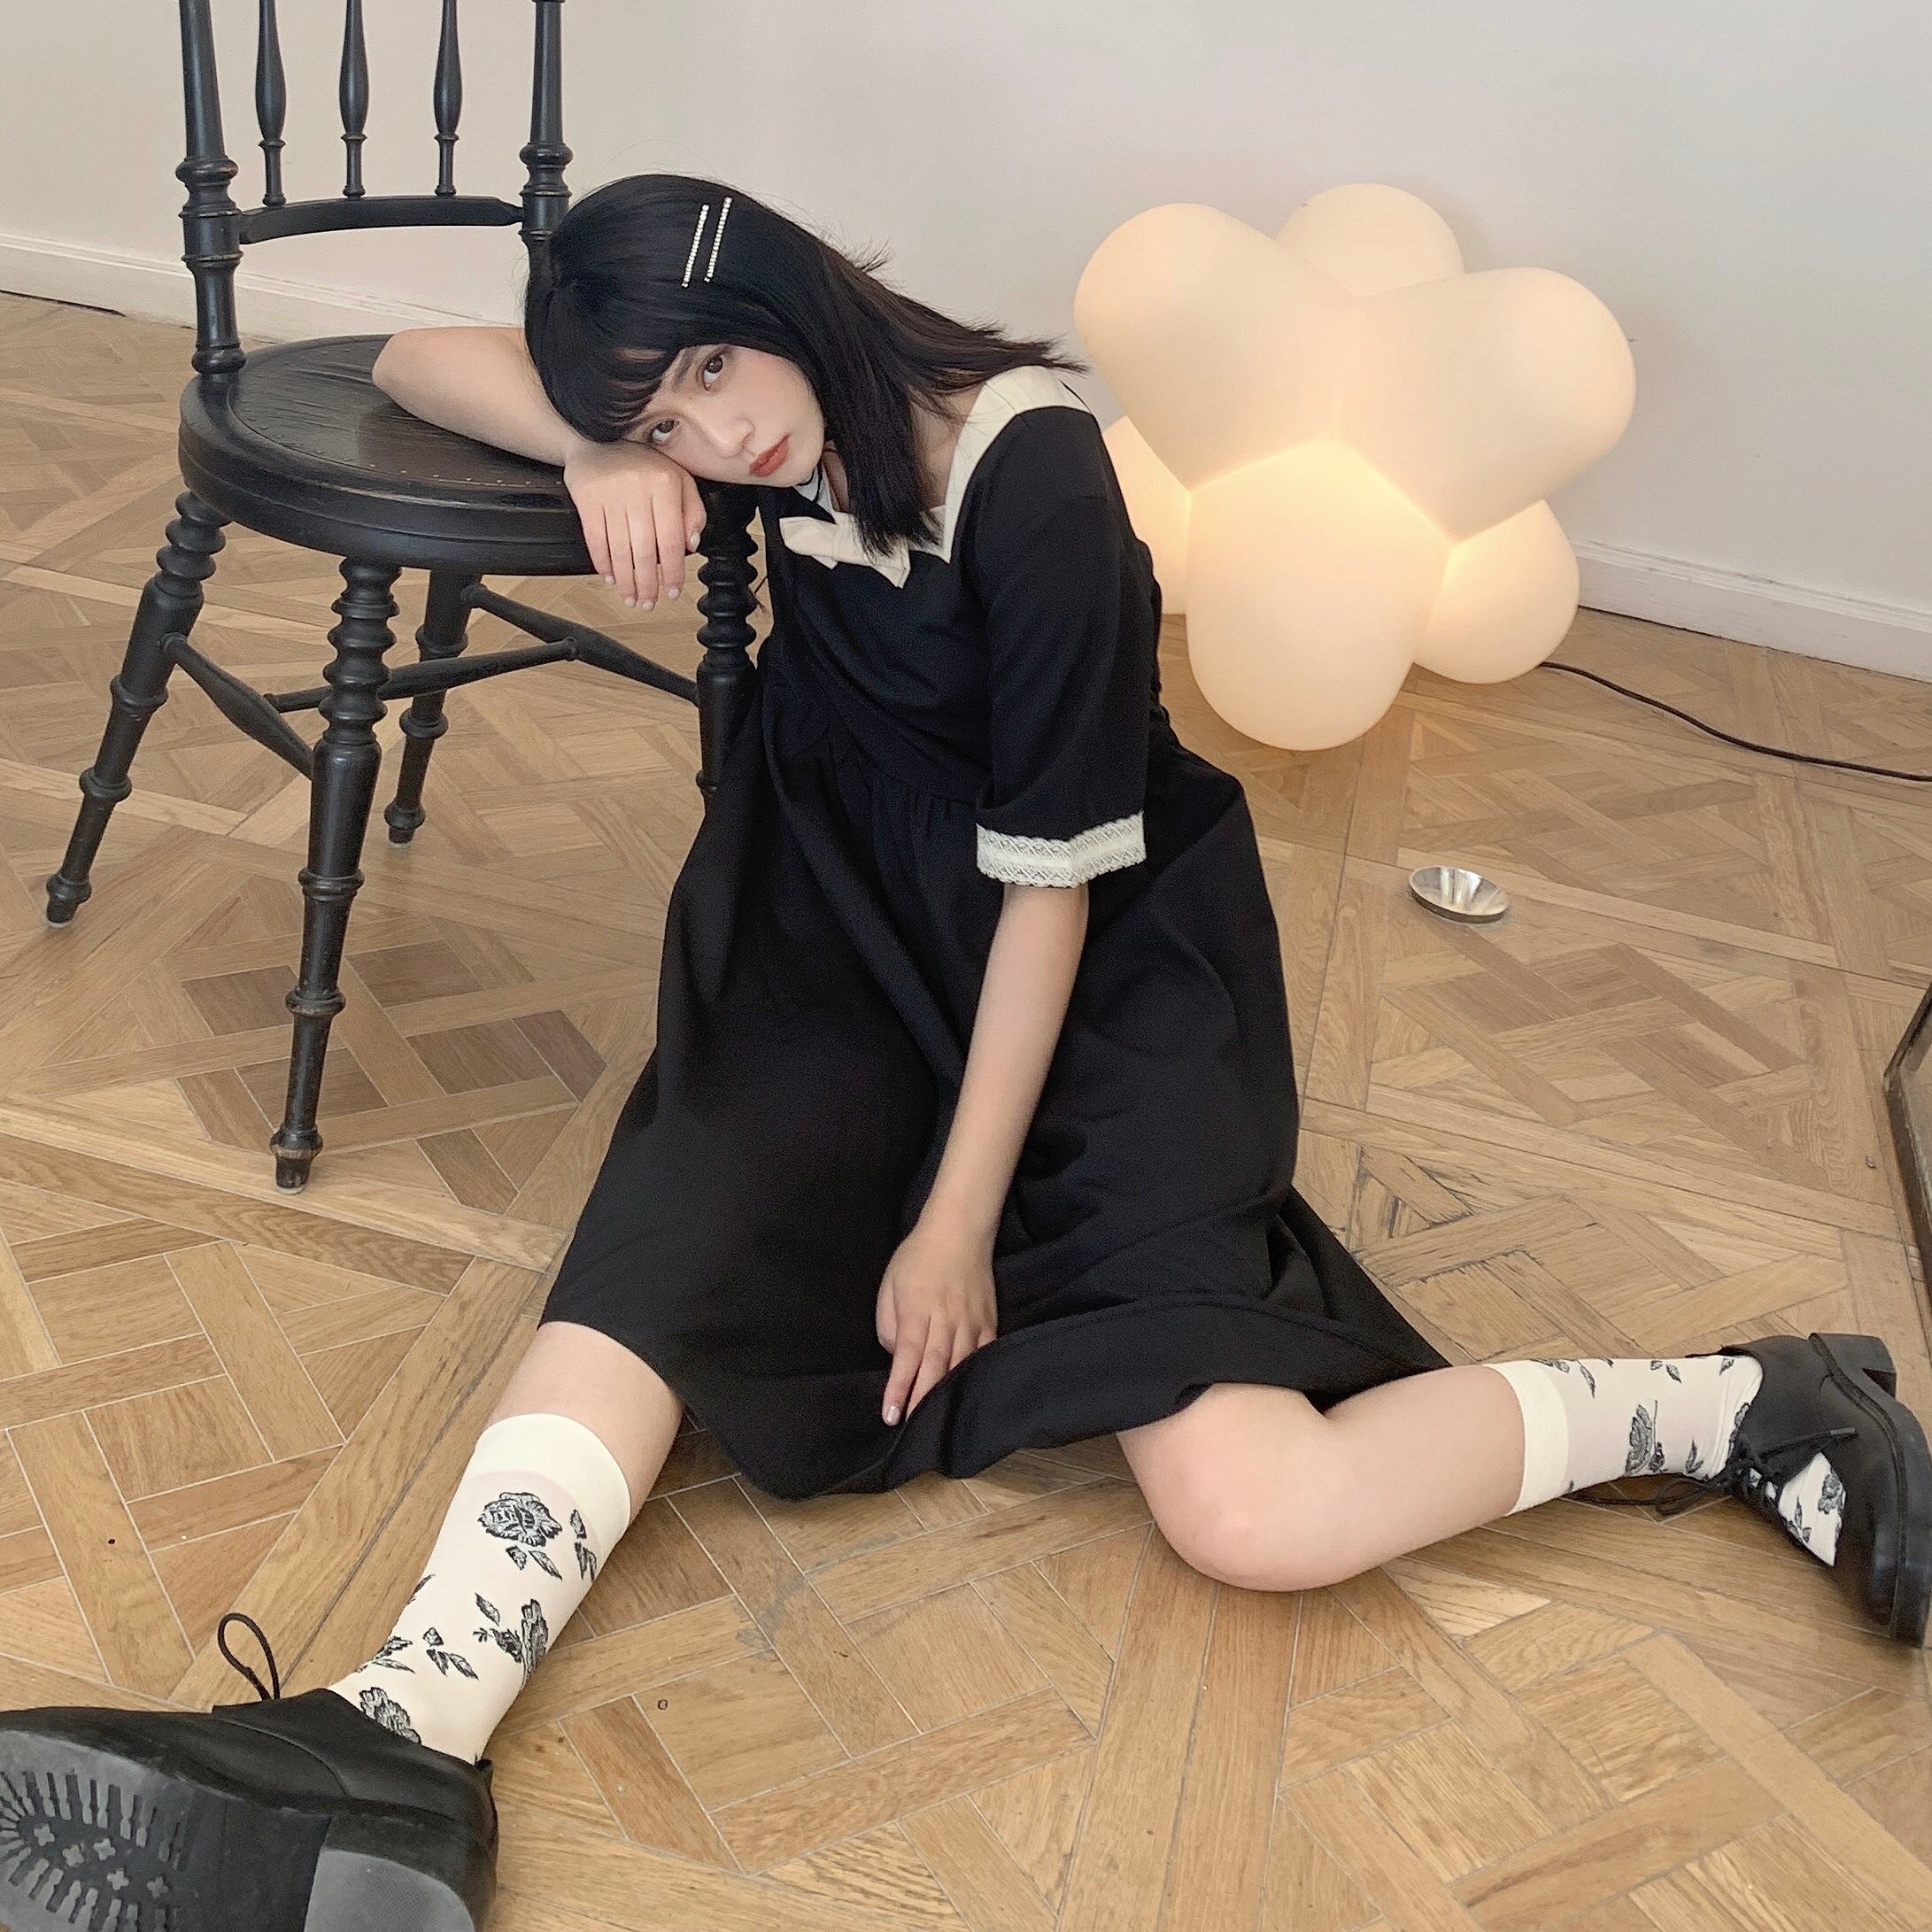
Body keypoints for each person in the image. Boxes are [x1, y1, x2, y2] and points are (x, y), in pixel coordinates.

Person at [1, 171, 1927, 1932]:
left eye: (713, 375)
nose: (718, 440)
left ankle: (1744, 1400)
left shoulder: (1037, 479)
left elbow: (1053, 899)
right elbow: (419, 359)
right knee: (670, 1239)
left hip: (1091, 977)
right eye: (665, 421)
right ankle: (405, 1727)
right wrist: (595, 444)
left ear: (783, 293)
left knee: (1254, 1511)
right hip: (838, 929)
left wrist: (951, 1222)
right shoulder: (743, 429)